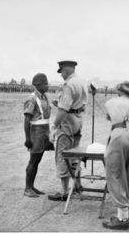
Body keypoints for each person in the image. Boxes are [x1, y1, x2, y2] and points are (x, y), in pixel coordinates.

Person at [102, 81, 129, 230]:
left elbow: (109, 118)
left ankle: (121, 217)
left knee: (116, 174)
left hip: (118, 134)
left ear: (119, 91)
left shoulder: (110, 102)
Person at [48, 60, 88, 201]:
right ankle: (77, 185)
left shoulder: (68, 84)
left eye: (61, 72)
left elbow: (64, 108)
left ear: (65, 70)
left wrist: (54, 125)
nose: (61, 76)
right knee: (75, 153)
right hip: (78, 118)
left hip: (67, 120)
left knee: (63, 153)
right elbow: (77, 103)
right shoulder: (82, 82)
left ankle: (64, 191)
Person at [23, 73, 54, 198]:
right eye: (45, 84)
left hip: (44, 132)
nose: (47, 86)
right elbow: (27, 120)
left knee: (38, 160)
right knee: (33, 160)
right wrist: (27, 139)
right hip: (36, 133)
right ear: (37, 85)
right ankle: (28, 188)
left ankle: (32, 186)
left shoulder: (44, 97)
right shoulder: (31, 99)